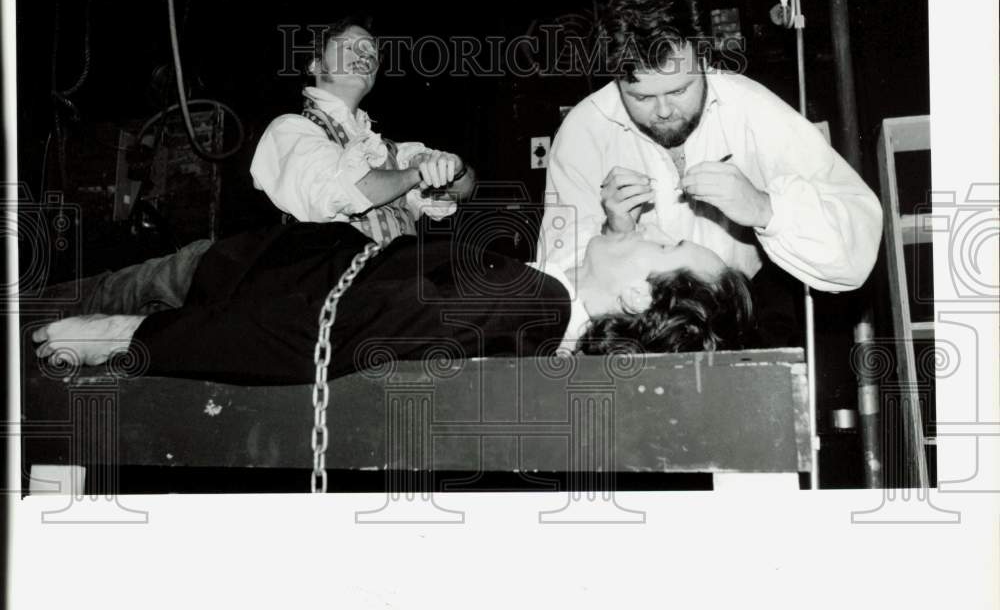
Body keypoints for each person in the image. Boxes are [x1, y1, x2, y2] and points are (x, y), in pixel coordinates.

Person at [31, 224, 755, 385]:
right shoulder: (541, 320)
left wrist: (137, 334)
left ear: (636, 294)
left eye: (666, 246)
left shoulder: (529, 302)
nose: (654, 227)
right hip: (242, 283)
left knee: (36, 309)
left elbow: (321, 336)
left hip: (221, 284)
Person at [538, 0, 883, 296]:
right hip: (635, 327)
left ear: (703, 58)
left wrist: (765, 208)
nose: (662, 111)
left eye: (679, 90)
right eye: (641, 98)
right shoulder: (584, 132)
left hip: (745, 309)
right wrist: (616, 233)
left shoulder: (751, 109)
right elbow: (557, 284)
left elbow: (857, 249)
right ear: (615, 79)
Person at [250, 15, 475, 243]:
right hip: (333, 273)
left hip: (397, 272)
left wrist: (455, 169)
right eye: (350, 47)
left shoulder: (389, 152)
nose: (365, 56)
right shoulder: (289, 130)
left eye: (372, 53)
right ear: (315, 64)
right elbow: (351, 189)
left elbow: (461, 190)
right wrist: (417, 174)